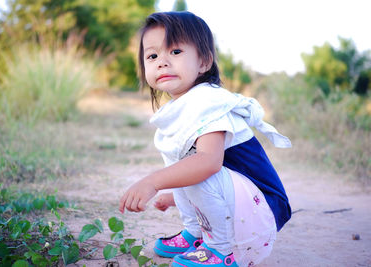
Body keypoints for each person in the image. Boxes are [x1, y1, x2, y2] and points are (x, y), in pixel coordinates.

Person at [119, 11, 292, 267]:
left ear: (204, 62)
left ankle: (221, 250)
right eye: (152, 55)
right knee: (182, 162)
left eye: (175, 52)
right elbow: (188, 166)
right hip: (240, 203)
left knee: (198, 165)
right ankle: (196, 234)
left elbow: (208, 163)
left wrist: (152, 183)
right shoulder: (185, 107)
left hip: (263, 210)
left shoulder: (209, 102)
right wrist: (177, 194)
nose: (162, 62)